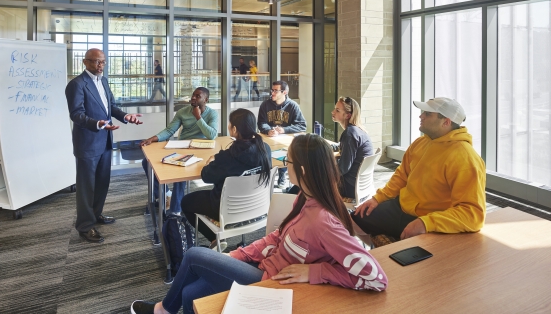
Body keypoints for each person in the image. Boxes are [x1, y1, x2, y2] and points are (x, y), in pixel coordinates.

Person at [130, 134, 388, 314]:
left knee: (195, 255)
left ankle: (163, 310)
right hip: (263, 264)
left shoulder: (323, 221)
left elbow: (376, 278)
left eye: (287, 161)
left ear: (304, 171)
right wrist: (238, 255)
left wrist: (315, 273)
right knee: (190, 294)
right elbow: (277, 237)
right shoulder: (304, 198)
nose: (285, 165)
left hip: (270, 282)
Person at [352, 97, 486, 242]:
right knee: (352, 221)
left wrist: (425, 223)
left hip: (430, 219)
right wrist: (378, 199)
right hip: (400, 207)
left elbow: (473, 215)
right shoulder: (420, 143)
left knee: (406, 258)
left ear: (446, 122)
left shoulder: (465, 158)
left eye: (428, 114)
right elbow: (401, 176)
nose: (421, 116)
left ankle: (382, 257)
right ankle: (371, 258)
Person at [65, 48, 143, 243]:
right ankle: (85, 226)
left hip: (105, 141)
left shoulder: (104, 81)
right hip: (88, 142)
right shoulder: (76, 84)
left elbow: (111, 108)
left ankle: (96, 214)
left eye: (103, 62)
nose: (100, 66)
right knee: (86, 187)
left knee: (102, 183)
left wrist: (126, 116)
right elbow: (76, 114)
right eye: (96, 62)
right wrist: (97, 124)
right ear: (85, 62)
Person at [181, 108, 272, 251]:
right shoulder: (265, 149)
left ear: (234, 129)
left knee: (186, 202)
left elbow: (206, 176)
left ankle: (214, 239)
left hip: (226, 210)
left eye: (229, 125)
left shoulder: (227, 157)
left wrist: (210, 162)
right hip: (257, 208)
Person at [140, 87, 219, 214]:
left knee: (181, 169)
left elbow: (212, 135)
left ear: (206, 100)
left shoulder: (212, 114)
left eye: (198, 96)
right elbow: (169, 130)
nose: (193, 97)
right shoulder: (182, 112)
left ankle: (175, 211)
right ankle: (166, 193)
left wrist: (198, 117)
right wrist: (153, 138)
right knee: (147, 162)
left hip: (202, 151)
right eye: (193, 95)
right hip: (183, 147)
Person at [257, 80, 306, 189]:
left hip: (285, 141)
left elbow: (302, 125)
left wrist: (284, 130)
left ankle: (282, 175)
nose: (272, 93)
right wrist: (268, 130)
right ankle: (268, 178)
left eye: (276, 91)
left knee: (286, 153)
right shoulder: (265, 105)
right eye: (272, 90)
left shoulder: (293, 106)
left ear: (285, 92)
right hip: (269, 139)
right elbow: (261, 123)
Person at [332, 97, 374, 199]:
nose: (333, 112)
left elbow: (343, 168)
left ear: (348, 115)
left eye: (337, 110)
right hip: (361, 186)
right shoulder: (358, 131)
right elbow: (344, 147)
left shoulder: (350, 134)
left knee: (311, 180)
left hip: (349, 187)